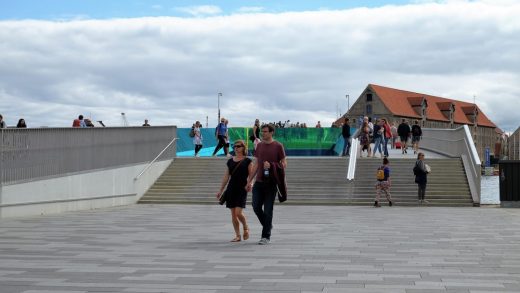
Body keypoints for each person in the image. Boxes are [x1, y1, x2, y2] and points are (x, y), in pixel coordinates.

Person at [247, 124, 287, 245]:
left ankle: (265, 236)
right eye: (262, 132)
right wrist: (249, 181)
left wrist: (272, 165)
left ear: (271, 133)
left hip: (271, 183)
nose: (262, 134)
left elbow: (284, 164)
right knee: (255, 206)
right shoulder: (259, 146)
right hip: (259, 182)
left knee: (268, 209)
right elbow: (256, 164)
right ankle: (267, 224)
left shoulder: (278, 146)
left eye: (265, 132)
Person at [216, 140, 253, 242]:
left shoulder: (248, 161)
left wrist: (250, 184)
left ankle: (245, 227)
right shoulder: (230, 161)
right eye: (234, 146)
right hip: (231, 189)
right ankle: (237, 235)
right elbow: (226, 177)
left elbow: (251, 176)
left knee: (238, 212)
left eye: (238, 146)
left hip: (242, 188)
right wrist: (220, 190)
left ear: (243, 148)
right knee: (233, 214)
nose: (236, 148)